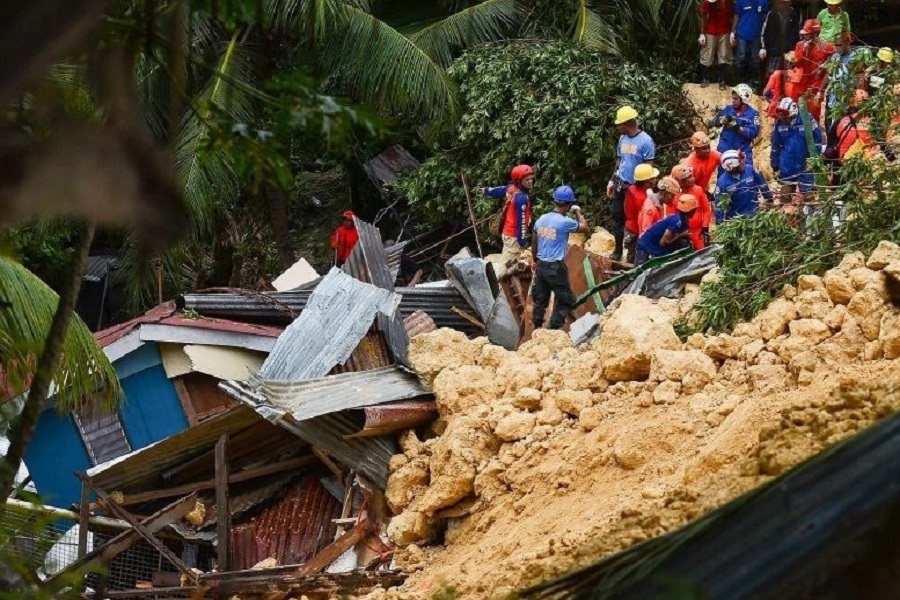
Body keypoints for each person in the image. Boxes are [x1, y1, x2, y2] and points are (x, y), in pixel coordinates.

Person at [530, 186, 589, 330]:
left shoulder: (542, 219)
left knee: (540, 300)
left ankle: (537, 328)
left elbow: (534, 241)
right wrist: (577, 212)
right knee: (567, 300)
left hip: (541, 265)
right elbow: (584, 227)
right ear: (568, 204)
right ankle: (554, 328)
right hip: (556, 267)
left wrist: (535, 260)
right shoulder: (564, 222)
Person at [606, 106, 656, 261]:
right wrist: (612, 180)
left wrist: (646, 188)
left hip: (636, 188)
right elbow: (620, 160)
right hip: (621, 184)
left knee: (635, 222)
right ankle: (618, 250)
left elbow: (649, 166)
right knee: (617, 216)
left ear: (627, 123)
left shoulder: (646, 141)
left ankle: (635, 255)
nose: (617, 127)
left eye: (619, 124)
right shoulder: (622, 138)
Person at [483, 164, 535, 273]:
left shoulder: (512, 188)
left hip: (507, 232)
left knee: (511, 262)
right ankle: (495, 283)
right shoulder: (521, 198)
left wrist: (486, 190)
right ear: (519, 181)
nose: (530, 182)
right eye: (527, 180)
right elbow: (521, 221)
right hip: (514, 236)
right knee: (506, 267)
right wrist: (522, 240)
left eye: (531, 179)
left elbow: (499, 190)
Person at [770, 97, 822, 202]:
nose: (783, 119)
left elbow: (817, 140)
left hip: (805, 166)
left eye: (785, 116)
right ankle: (787, 216)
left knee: (809, 198)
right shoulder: (779, 124)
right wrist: (775, 165)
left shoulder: (807, 119)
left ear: (792, 113)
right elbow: (775, 146)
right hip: (787, 167)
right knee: (785, 199)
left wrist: (813, 159)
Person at [635, 195, 699, 266]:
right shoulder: (677, 221)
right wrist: (681, 235)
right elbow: (663, 242)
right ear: (691, 211)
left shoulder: (682, 220)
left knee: (684, 243)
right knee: (639, 271)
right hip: (646, 245)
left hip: (654, 245)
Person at [709, 83, 761, 167]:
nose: (733, 101)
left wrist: (738, 128)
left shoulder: (753, 114)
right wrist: (719, 120)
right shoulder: (727, 109)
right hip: (725, 148)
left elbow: (753, 132)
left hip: (742, 150)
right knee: (723, 176)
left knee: (746, 174)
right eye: (732, 98)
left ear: (743, 100)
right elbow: (713, 122)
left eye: (735, 99)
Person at [714, 149, 773, 221]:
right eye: (741, 163)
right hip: (735, 220)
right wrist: (719, 222)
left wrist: (769, 198)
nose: (743, 163)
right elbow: (718, 205)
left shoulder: (750, 169)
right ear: (733, 168)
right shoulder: (722, 183)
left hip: (754, 214)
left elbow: (762, 184)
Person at [794, 19, 834, 122]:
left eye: (807, 34)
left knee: (814, 115)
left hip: (817, 85)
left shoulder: (827, 47)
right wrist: (804, 51)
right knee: (799, 113)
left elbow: (834, 63)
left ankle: (815, 135)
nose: (804, 36)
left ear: (815, 34)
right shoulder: (800, 45)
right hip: (801, 84)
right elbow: (797, 64)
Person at [623, 163, 660, 263]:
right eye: (653, 178)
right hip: (636, 231)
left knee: (631, 254)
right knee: (637, 258)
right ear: (648, 181)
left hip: (629, 226)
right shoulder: (643, 199)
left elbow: (626, 207)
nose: (656, 179)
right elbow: (645, 221)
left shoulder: (631, 189)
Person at [670, 164, 713, 248]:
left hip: (699, 231)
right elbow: (672, 218)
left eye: (691, 176)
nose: (693, 179)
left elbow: (706, 210)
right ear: (680, 182)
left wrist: (705, 226)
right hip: (683, 233)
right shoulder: (673, 196)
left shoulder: (698, 190)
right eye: (688, 178)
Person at [821, 32, 857, 129]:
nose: (837, 48)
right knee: (829, 125)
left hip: (847, 98)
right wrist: (820, 91)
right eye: (835, 45)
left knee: (844, 126)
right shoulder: (835, 57)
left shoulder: (855, 58)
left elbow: (860, 78)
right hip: (833, 96)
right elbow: (828, 75)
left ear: (847, 43)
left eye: (839, 45)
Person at [759, 0, 801, 79]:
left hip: (788, 51)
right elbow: (764, 32)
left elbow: (796, 32)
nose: (784, 5)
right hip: (775, 51)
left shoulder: (793, 13)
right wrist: (763, 47)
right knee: (772, 75)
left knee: (788, 75)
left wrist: (796, 49)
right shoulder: (771, 14)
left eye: (786, 2)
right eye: (782, 2)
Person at [732, 0, 769, 87]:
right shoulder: (741, 1)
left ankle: (752, 81)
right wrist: (733, 31)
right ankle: (740, 80)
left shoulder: (763, 2)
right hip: (742, 34)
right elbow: (736, 15)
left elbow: (766, 17)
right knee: (741, 58)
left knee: (755, 60)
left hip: (756, 35)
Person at [699, 0, 735, 89]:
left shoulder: (728, 2)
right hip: (710, 31)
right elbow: (703, 17)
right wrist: (702, 33)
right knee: (707, 55)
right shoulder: (707, 2)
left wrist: (733, 33)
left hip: (725, 31)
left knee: (725, 55)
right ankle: (704, 79)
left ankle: (722, 80)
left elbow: (733, 16)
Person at [763, 51, 803, 118]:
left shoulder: (777, 74)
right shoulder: (802, 76)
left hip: (778, 111)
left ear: (785, 62)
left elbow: (766, 93)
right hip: (795, 111)